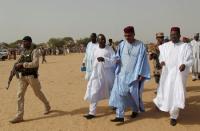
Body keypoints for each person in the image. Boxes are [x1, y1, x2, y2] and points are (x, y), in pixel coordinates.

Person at [109, 26, 151, 122]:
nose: (127, 37)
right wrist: (116, 59)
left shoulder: (140, 45)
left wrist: (141, 73)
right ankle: (119, 116)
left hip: (134, 75)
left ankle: (135, 110)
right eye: (125, 36)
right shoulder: (122, 45)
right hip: (122, 74)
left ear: (134, 34)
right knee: (119, 94)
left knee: (133, 95)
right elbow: (117, 56)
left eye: (129, 35)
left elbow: (143, 61)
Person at [153, 27, 194, 126]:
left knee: (176, 94)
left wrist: (185, 64)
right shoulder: (166, 46)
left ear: (179, 35)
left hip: (179, 75)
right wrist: (162, 60)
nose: (173, 36)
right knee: (166, 92)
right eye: (171, 35)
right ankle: (163, 105)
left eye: (175, 35)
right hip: (167, 75)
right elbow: (161, 55)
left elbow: (190, 59)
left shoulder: (185, 46)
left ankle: (173, 116)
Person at [9, 36, 51, 124]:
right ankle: (19, 116)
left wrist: (23, 64)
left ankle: (47, 105)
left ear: (29, 42)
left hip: (32, 76)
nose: (23, 43)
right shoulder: (23, 51)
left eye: (25, 42)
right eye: (23, 42)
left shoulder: (35, 51)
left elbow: (35, 63)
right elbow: (18, 61)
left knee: (38, 93)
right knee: (19, 95)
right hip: (22, 77)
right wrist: (14, 69)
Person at [83, 34, 115, 119]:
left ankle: (114, 106)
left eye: (104, 39)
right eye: (101, 40)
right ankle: (92, 112)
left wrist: (104, 59)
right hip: (97, 74)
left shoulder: (109, 49)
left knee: (112, 91)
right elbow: (92, 60)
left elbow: (114, 60)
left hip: (108, 74)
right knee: (94, 91)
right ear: (98, 41)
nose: (104, 41)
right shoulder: (95, 49)